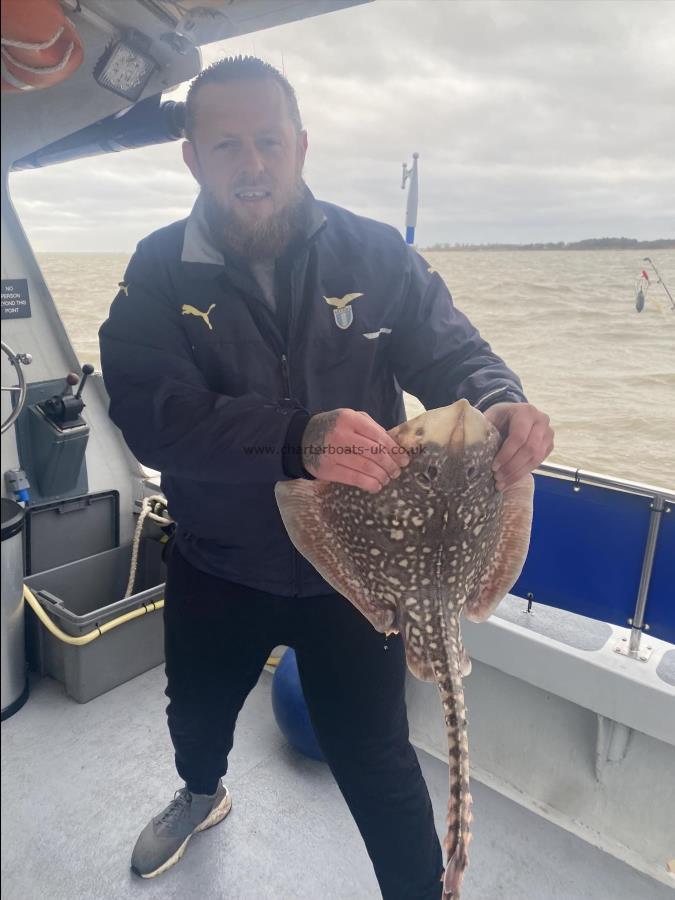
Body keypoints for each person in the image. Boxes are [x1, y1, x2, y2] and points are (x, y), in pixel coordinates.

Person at [99, 56, 553, 898]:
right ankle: (201, 793)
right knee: (194, 714)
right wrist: (295, 439)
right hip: (217, 559)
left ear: (300, 146)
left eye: (268, 141)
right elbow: (147, 408)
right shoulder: (158, 268)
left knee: (376, 757)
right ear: (193, 158)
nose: (252, 164)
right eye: (227, 145)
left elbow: (451, 350)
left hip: (360, 583)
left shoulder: (372, 252)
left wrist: (502, 400)